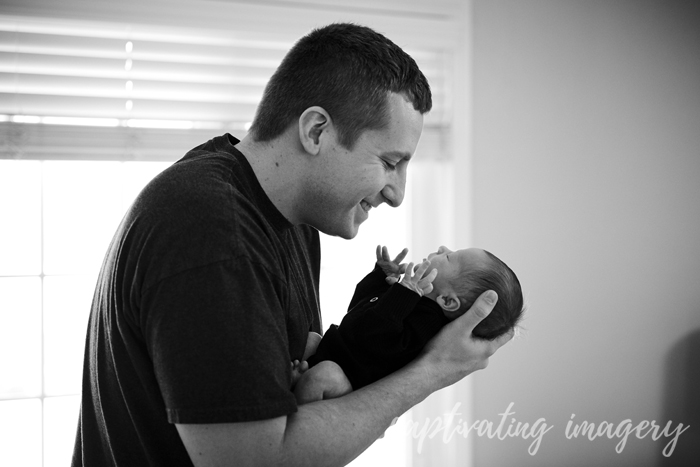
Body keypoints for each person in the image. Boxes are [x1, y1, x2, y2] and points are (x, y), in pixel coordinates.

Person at [72, 22, 513, 467]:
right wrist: (433, 370)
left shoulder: (289, 218)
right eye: (389, 162)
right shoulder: (215, 233)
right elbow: (258, 460)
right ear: (316, 131)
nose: (397, 194)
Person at [293, 245, 524, 404]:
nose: (443, 249)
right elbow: (357, 313)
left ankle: (299, 409)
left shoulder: (427, 323)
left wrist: (401, 295)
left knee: (321, 376)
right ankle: (297, 380)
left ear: (447, 301)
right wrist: (379, 277)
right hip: (333, 350)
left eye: (449, 257)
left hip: (348, 380)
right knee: (310, 337)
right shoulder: (410, 298)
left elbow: (376, 339)